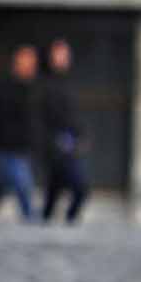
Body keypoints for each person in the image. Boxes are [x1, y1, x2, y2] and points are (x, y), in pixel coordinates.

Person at [0, 46, 43, 224]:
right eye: (25, 61)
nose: (29, 66)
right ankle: (30, 217)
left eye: (31, 62)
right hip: (7, 146)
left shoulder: (33, 87)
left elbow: (33, 120)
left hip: (22, 146)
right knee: (22, 184)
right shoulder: (7, 87)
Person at [39, 37, 92, 226]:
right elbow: (45, 118)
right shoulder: (44, 84)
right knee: (78, 187)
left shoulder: (67, 83)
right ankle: (59, 223)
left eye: (65, 55)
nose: (63, 58)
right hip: (55, 143)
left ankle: (49, 223)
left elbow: (73, 116)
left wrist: (82, 136)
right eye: (59, 54)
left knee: (55, 191)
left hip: (69, 143)